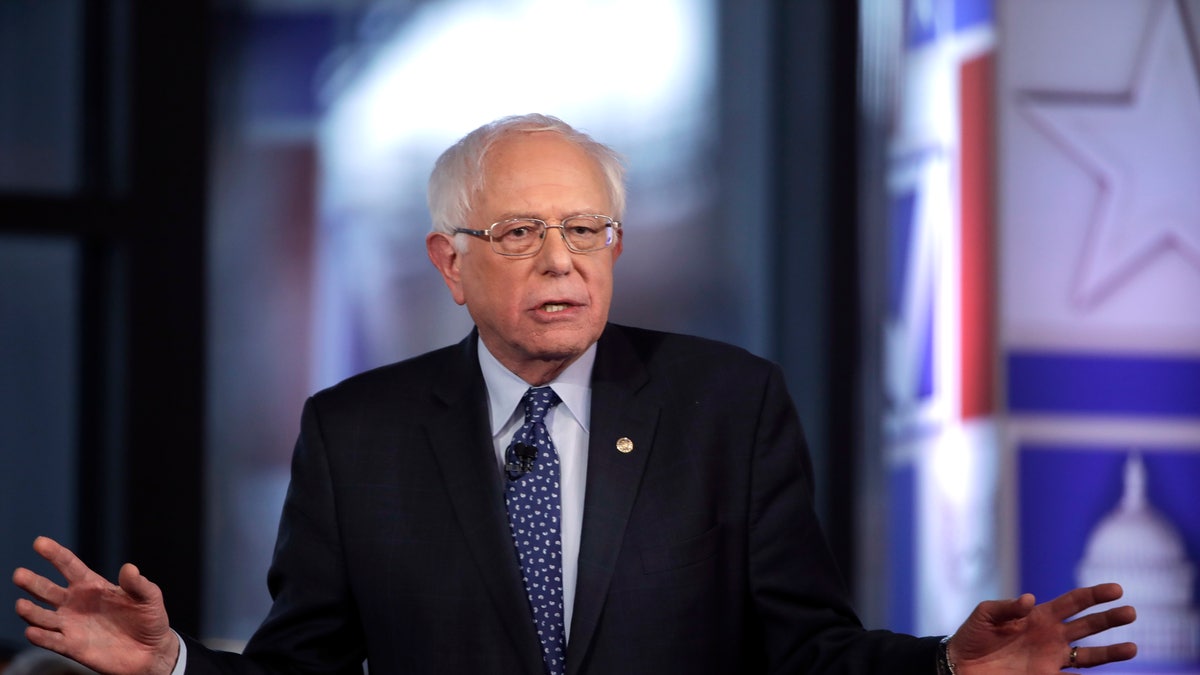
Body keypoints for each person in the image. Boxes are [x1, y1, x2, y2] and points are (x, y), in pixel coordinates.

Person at [13, 114, 1136, 675]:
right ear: (450, 264)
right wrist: (166, 665)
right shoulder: (356, 434)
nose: (562, 260)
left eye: (586, 230)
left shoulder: (726, 404)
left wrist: (944, 664)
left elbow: (805, 652)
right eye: (520, 232)